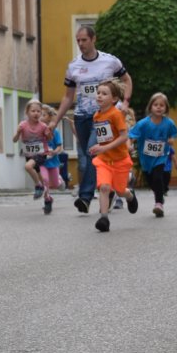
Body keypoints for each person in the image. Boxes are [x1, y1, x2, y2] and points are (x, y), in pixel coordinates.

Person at [48, 24, 132, 215]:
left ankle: (85, 197)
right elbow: (68, 97)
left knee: (93, 153)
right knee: (87, 159)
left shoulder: (110, 61)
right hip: (82, 116)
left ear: (93, 39)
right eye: (78, 40)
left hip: (104, 117)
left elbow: (127, 80)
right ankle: (109, 189)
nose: (80, 43)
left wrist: (125, 102)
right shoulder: (73, 66)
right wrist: (55, 121)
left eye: (84, 40)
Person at [89, 80, 138, 232]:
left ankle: (130, 196)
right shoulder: (96, 115)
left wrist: (104, 147)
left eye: (104, 94)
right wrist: (98, 148)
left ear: (114, 98)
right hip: (104, 160)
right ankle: (104, 219)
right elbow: (104, 137)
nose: (99, 96)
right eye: (98, 93)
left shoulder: (116, 114)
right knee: (104, 187)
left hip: (120, 160)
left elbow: (124, 137)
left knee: (120, 190)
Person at [128, 92, 177, 216]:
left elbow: (173, 134)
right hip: (146, 158)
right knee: (151, 181)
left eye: (162, 105)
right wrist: (129, 144)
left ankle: (158, 203)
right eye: (156, 105)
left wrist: (171, 139)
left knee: (158, 177)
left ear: (166, 108)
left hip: (160, 157)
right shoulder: (143, 123)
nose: (159, 107)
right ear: (150, 107)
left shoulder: (169, 123)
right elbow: (131, 135)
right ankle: (159, 195)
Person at [12, 100, 53, 200]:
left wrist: (48, 134)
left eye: (38, 111)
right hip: (29, 154)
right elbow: (14, 140)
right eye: (33, 111)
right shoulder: (22, 125)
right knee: (38, 174)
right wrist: (18, 132)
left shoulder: (43, 126)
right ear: (27, 112)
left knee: (28, 166)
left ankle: (38, 186)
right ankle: (47, 196)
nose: (36, 113)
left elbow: (50, 139)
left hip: (41, 153)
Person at [40, 106, 65, 214]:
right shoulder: (37, 131)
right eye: (40, 115)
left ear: (49, 117)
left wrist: (54, 152)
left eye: (43, 115)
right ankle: (47, 200)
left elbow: (59, 147)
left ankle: (59, 180)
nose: (40, 117)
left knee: (54, 184)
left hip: (53, 162)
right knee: (45, 180)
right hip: (42, 162)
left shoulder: (55, 131)